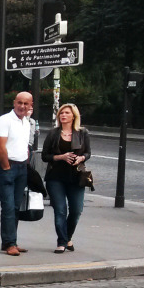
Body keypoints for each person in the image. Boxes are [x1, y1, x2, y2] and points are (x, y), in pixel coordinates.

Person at [41, 102, 91, 254]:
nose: (63, 115)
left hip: (76, 177)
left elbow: (88, 152)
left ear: (74, 116)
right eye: (61, 113)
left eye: (67, 113)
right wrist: (61, 157)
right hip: (55, 177)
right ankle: (62, 242)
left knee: (76, 210)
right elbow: (44, 156)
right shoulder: (53, 133)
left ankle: (67, 237)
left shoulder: (82, 133)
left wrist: (81, 158)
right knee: (60, 210)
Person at [0, 91, 35, 256]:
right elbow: (0, 146)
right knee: (8, 206)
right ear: (14, 103)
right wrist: (6, 167)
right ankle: (10, 243)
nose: (22, 106)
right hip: (7, 167)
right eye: (19, 103)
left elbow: (24, 145)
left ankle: (11, 242)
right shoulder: (4, 120)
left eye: (26, 104)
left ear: (31, 105)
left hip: (21, 167)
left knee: (16, 206)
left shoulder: (26, 122)